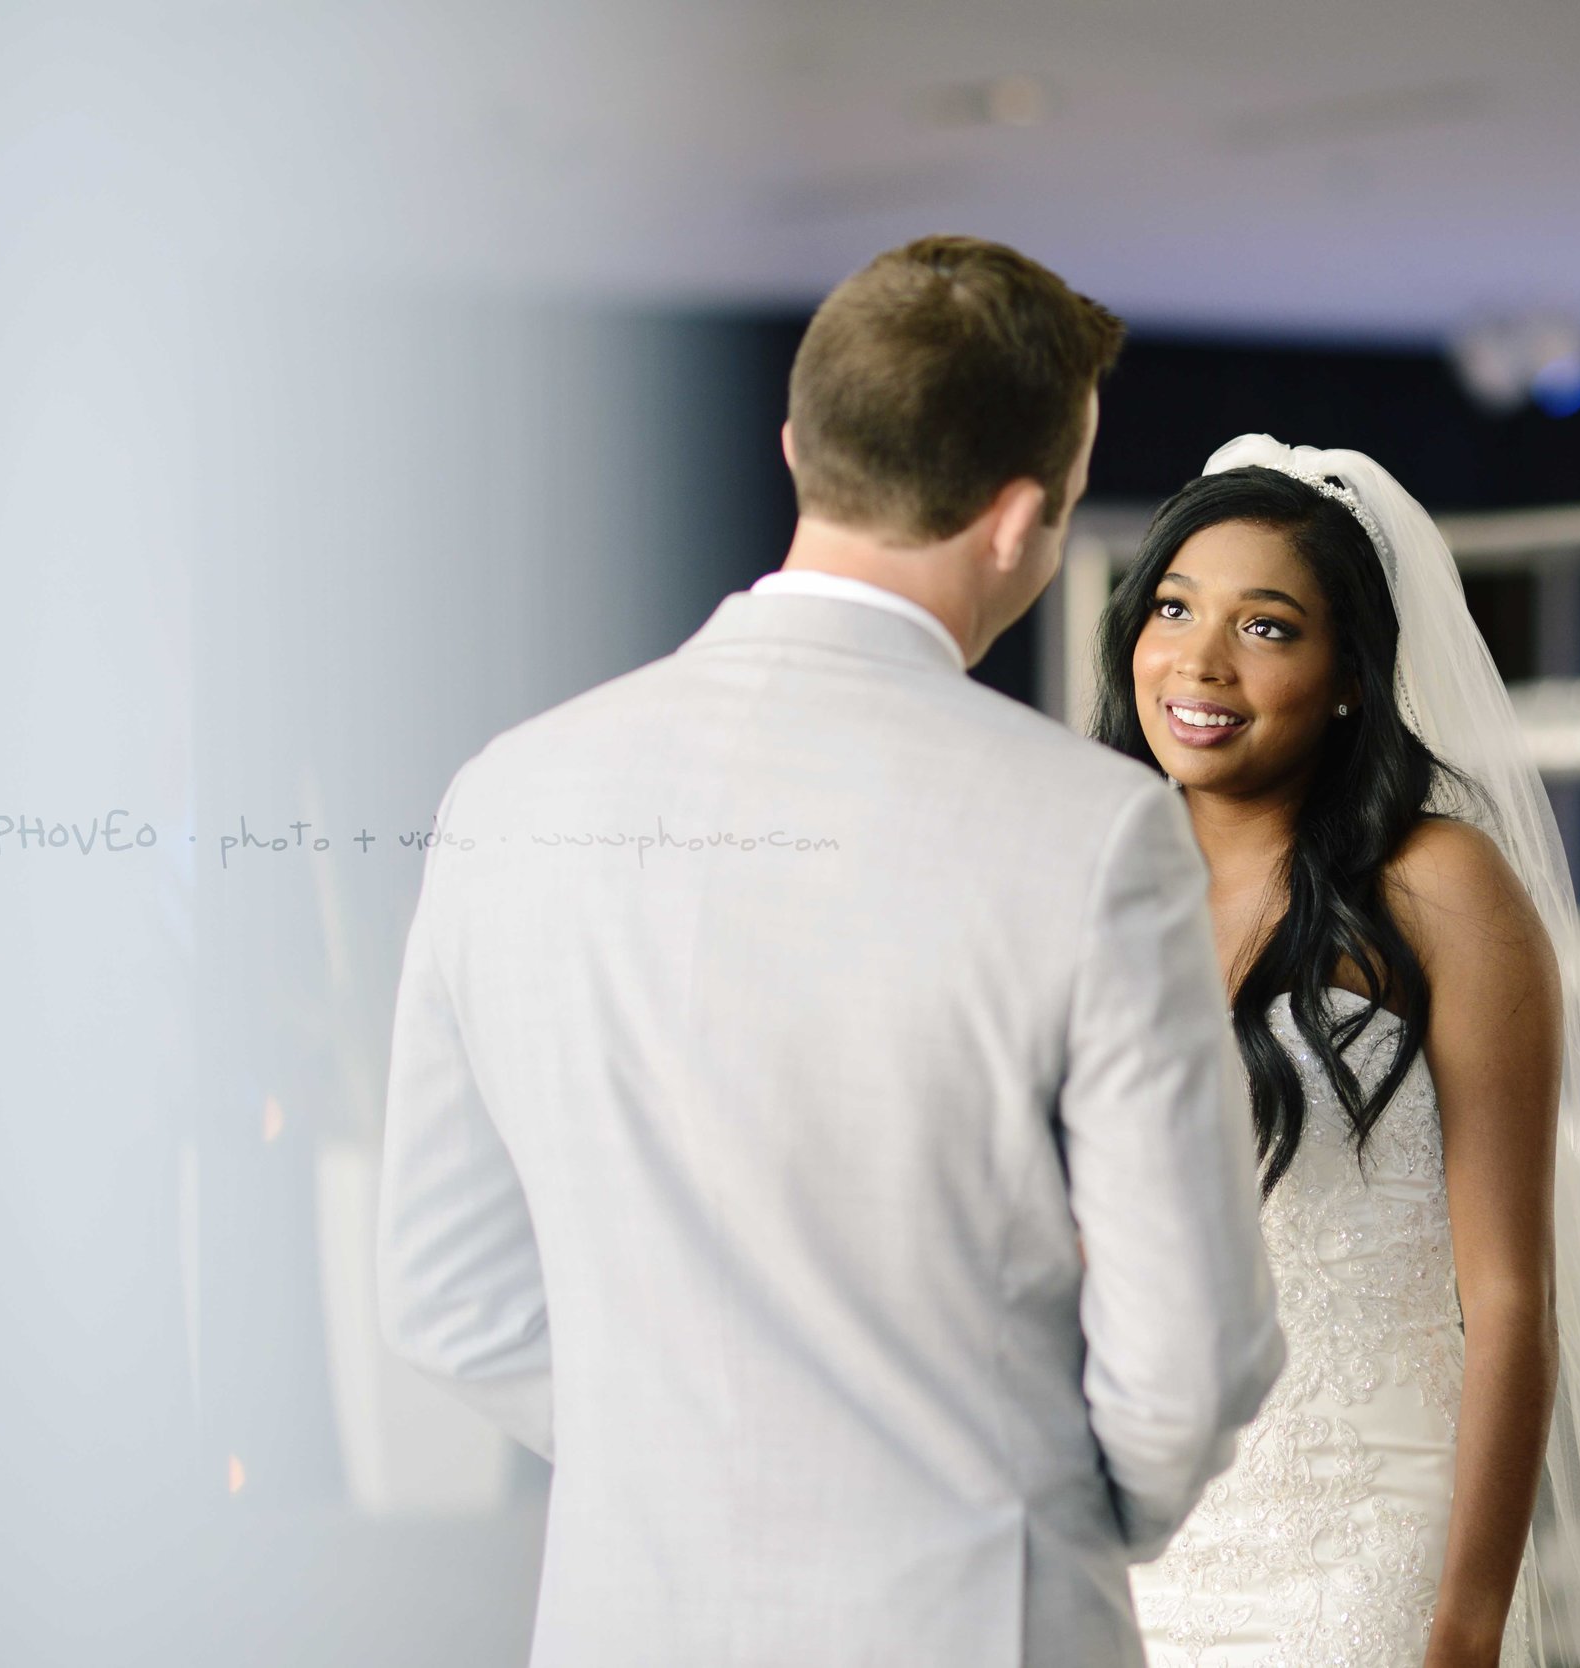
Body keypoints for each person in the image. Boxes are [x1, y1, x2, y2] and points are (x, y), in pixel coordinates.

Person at [375, 237, 1287, 1668]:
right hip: (972, 1617)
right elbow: (1190, 1359)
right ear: (1018, 522)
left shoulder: (506, 795)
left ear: (801, 449)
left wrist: (679, 1464)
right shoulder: (1093, 831)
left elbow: (445, 1293)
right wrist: (1041, 1506)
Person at [1103, 438, 1580, 1668]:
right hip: (1130, 1549)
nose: (1201, 660)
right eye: (1173, 608)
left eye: (1265, 627)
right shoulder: (1094, 880)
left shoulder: (1435, 887)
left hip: (1361, 1562)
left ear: (1349, 677)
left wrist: (1465, 1623)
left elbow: (1512, 1295)